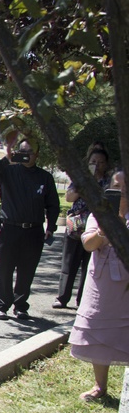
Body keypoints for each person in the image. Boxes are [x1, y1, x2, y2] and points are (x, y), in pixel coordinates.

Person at [0, 138, 60, 320]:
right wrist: (6, 159)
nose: (27, 155)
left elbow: (53, 204)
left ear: (37, 154)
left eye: (30, 152)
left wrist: (51, 226)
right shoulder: (8, 171)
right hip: (10, 228)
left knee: (27, 270)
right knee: (5, 268)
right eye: (23, 152)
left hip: (33, 231)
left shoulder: (45, 177)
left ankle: (21, 306)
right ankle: (2, 305)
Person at [69, 171, 129, 401]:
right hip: (102, 281)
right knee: (98, 328)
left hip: (126, 283)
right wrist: (106, 228)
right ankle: (99, 386)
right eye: (117, 186)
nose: (121, 191)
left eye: (125, 187)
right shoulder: (99, 215)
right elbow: (88, 244)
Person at [54, 146, 112, 308]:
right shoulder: (80, 179)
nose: (97, 165)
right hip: (76, 227)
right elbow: (69, 197)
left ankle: (82, 300)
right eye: (94, 162)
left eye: (101, 162)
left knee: (88, 266)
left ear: (106, 164)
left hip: (96, 228)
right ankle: (62, 297)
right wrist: (86, 182)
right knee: (69, 263)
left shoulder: (109, 182)